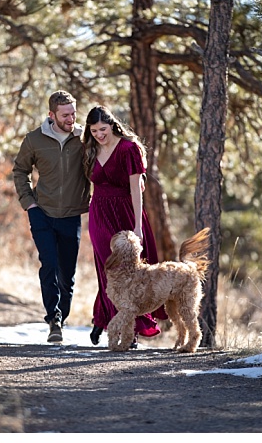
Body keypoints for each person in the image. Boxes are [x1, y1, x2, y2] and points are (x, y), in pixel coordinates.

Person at [83, 106, 167, 346]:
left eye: (103, 129)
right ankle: (112, 325)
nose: (99, 134)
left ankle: (115, 323)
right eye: (94, 130)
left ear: (113, 124)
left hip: (125, 213)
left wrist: (138, 227)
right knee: (108, 269)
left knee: (128, 272)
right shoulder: (90, 147)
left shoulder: (129, 149)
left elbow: (135, 191)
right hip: (98, 213)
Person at [12, 90, 92, 344]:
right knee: (48, 264)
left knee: (66, 275)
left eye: (73, 114)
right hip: (42, 213)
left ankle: (62, 316)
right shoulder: (34, 140)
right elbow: (20, 171)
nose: (71, 119)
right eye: (65, 115)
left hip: (70, 215)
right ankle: (53, 320)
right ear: (51, 115)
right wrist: (29, 204)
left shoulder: (84, 139)